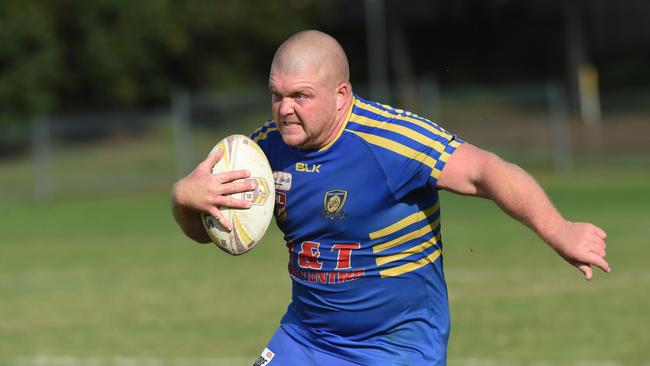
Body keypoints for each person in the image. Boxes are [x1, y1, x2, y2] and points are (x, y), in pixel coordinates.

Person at [171, 30, 610, 365]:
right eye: (277, 95)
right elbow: (212, 234)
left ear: (341, 95)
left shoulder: (391, 142)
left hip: (396, 348)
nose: (285, 108)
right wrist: (184, 200)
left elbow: (484, 170)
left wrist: (559, 230)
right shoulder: (261, 153)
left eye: (301, 96)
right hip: (308, 340)